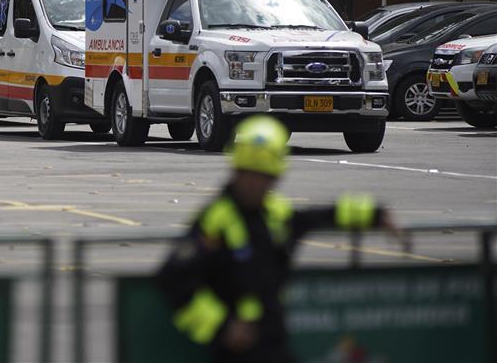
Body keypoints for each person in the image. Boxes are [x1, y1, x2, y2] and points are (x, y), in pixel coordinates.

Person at [156, 115, 405, 363]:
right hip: (237, 351)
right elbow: (174, 277)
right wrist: (220, 327)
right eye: (248, 174)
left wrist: (375, 214)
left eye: (264, 177)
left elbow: (322, 216)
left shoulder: (276, 214)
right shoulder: (215, 220)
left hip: (274, 339)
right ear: (236, 170)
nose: (255, 184)